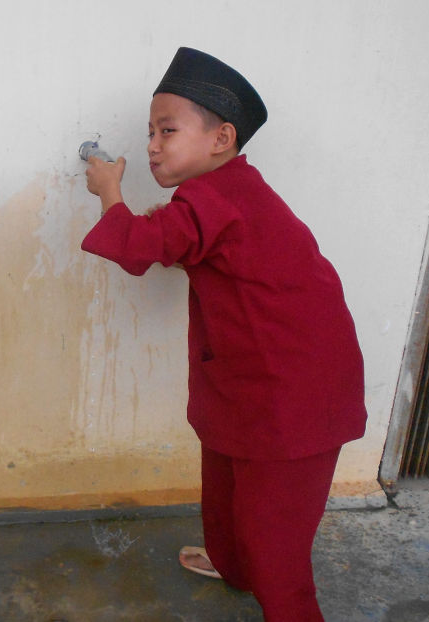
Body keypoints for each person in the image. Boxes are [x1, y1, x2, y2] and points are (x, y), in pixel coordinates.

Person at [79, 48, 367, 621]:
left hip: (294, 397)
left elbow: (139, 247)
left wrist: (109, 190)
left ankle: (284, 600)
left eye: (167, 130)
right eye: (150, 132)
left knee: (274, 540)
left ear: (221, 138)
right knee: (226, 490)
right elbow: (178, 238)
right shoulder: (222, 193)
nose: (152, 146)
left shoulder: (217, 197)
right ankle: (235, 566)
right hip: (250, 379)